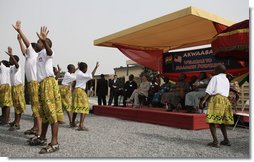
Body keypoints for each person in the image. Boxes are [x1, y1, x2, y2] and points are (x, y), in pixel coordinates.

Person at [35, 26, 64, 154]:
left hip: (48, 84)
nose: (37, 43)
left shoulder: (47, 53)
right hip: (41, 84)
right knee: (44, 114)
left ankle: (54, 142)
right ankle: (42, 137)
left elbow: (50, 52)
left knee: (52, 113)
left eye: (39, 42)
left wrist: (45, 41)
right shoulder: (38, 55)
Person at [13, 20, 41, 137]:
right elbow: (24, 50)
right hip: (30, 83)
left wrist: (20, 31)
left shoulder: (34, 54)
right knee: (34, 107)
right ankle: (35, 128)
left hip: (34, 83)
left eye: (28, 49)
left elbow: (28, 44)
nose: (26, 50)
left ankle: (38, 131)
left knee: (36, 107)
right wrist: (19, 41)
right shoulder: (29, 56)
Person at [200, 64, 234, 148]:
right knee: (221, 121)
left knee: (212, 121)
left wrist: (203, 100)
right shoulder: (226, 79)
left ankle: (215, 142)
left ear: (218, 70)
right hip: (225, 100)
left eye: (215, 69)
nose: (214, 71)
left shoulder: (215, 77)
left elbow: (210, 90)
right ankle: (226, 140)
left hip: (217, 99)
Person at [71, 62, 99, 130]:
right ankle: (81, 125)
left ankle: (73, 122)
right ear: (85, 68)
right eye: (86, 68)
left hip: (76, 90)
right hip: (80, 91)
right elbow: (91, 75)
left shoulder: (79, 74)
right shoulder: (82, 75)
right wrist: (96, 67)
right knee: (85, 107)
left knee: (76, 107)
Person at [6, 47, 26, 131]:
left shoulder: (17, 67)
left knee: (18, 106)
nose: (9, 60)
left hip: (18, 87)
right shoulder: (11, 68)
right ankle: (15, 121)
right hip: (13, 88)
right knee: (15, 105)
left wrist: (11, 55)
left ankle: (17, 123)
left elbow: (16, 64)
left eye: (11, 59)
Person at [0, 60, 12, 125]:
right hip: (5, 86)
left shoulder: (4, 68)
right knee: (4, 104)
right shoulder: (7, 69)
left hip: (5, 86)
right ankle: (4, 117)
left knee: (6, 105)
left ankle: (6, 120)